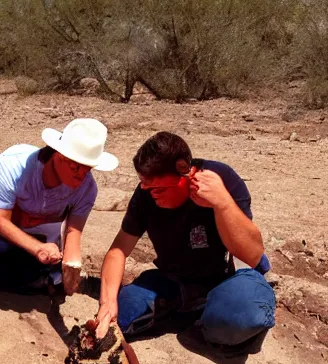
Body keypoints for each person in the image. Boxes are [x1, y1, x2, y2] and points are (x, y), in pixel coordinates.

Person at [95, 132, 275, 352]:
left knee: (239, 317)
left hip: (228, 277)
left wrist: (223, 204)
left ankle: (215, 314)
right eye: (147, 188)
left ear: (186, 174)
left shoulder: (221, 181)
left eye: (159, 189)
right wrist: (107, 303)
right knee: (122, 314)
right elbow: (119, 250)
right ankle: (190, 308)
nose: (153, 195)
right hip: (175, 278)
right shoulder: (146, 193)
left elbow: (252, 255)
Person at [0, 118, 119, 295]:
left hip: (32, 225)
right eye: (75, 166)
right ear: (57, 155)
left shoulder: (87, 188)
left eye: (87, 168)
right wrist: (37, 248)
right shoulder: (14, 165)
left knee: (29, 277)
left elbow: (74, 231)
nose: (81, 175)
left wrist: (70, 270)